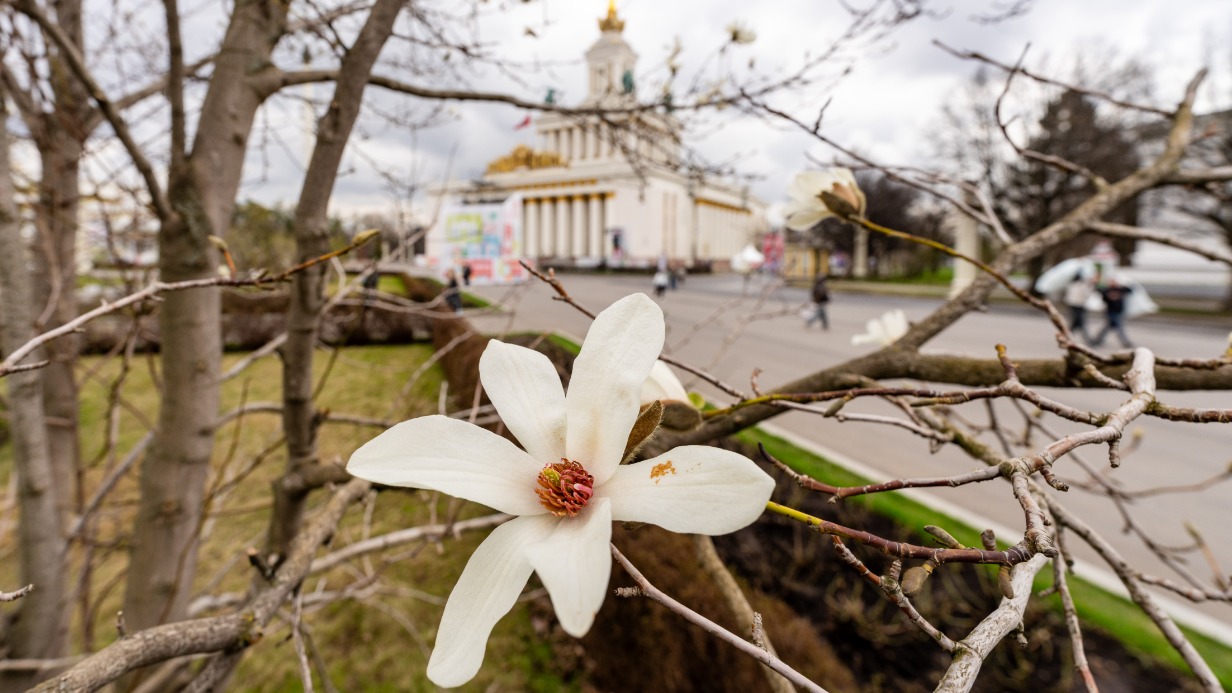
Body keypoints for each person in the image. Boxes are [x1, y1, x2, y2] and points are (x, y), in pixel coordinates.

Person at [1090, 278, 1134, 348]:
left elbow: (1130, 290)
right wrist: (1095, 283)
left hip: (1119, 311)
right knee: (1119, 327)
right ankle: (1126, 342)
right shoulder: (1107, 290)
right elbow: (1099, 290)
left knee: (1108, 327)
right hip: (1110, 311)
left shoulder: (1120, 289)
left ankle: (1097, 340)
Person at [1062, 272, 1094, 343]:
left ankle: (1067, 336)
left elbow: (1067, 296)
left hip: (1072, 305)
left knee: (1075, 323)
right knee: (1081, 323)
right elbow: (1087, 294)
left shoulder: (1071, 285)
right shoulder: (1081, 286)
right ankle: (1087, 340)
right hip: (1079, 306)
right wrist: (1091, 285)